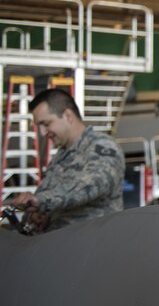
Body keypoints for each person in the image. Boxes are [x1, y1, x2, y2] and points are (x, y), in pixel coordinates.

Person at [10, 88, 124, 233]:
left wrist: (41, 201)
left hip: (91, 246)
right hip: (60, 245)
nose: (42, 132)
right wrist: (41, 214)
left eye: (46, 124)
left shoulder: (103, 147)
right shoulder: (62, 155)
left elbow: (92, 185)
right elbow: (55, 198)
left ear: (68, 115)